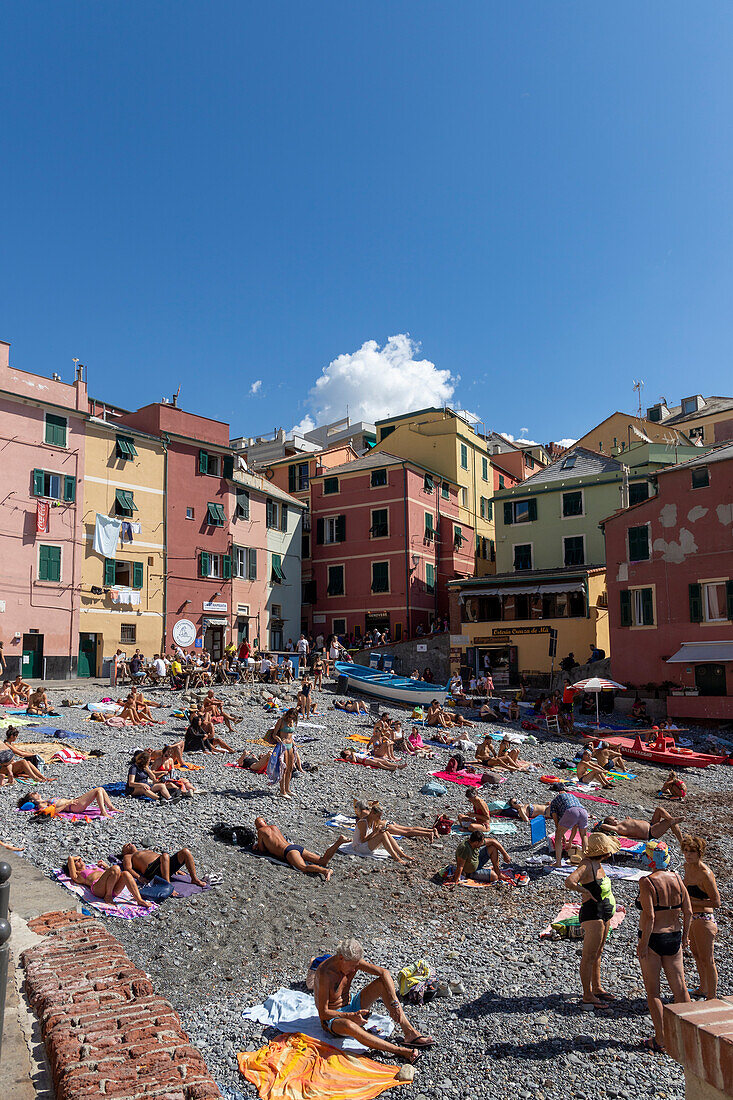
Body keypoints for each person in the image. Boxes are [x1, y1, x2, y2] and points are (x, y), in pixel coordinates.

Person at [314, 939, 435, 1061]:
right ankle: (401, 1051)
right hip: (333, 1018)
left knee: (382, 984)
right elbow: (323, 1013)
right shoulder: (325, 973)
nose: (354, 969)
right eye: (352, 966)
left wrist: (395, 1002)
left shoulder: (353, 962)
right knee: (348, 1024)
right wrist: (350, 1015)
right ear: (341, 958)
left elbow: (384, 973)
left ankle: (409, 1032)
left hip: (351, 1005)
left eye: (357, 966)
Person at [636, 841, 692, 1053]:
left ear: (649, 858)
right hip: (674, 935)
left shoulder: (647, 882)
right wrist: (685, 937)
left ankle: (661, 1040)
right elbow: (688, 911)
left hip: (653, 938)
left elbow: (649, 915)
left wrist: (643, 943)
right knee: (680, 988)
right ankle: (690, 1035)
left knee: (654, 992)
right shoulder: (677, 878)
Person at [565, 833, 619, 1008]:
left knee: (598, 952)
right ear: (603, 851)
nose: (611, 853)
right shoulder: (586, 865)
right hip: (593, 914)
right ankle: (587, 994)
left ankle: (597, 987)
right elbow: (570, 881)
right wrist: (584, 892)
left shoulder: (598, 864)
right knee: (588, 956)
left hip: (605, 912)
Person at [682, 835, 720, 1000]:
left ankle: (712, 996)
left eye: (692, 851)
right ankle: (703, 988)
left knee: (708, 959)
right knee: (697, 955)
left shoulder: (705, 874)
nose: (688, 854)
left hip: (704, 918)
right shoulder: (687, 867)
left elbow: (716, 902)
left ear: (700, 853)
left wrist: (690, 902)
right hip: (692, 918)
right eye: (685, 851)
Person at [253, 817, 348, 880]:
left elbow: (262, 850)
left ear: (257, 827)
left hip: (288, 852)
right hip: (294, 846)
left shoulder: (260, 831)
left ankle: (325, 871)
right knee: (323, 860)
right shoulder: (274, 827)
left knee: (304, 867)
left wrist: (258, 845)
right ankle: (339, 842)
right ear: (265, 822)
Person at [66, 856, 153, 908]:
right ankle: (108, 896)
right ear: (74, 867)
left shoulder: (93, 867)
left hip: (112, 886)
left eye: (80, 859)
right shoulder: (79, 874)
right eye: (76, 861)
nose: (80, 860)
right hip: (98, 888)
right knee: (116, 868)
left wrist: (106, 867)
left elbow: (113, 874)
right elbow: (70, 860)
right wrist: (73, 858)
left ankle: (139, 900)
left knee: (126, 873)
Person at [350, 805, 415, 863]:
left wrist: (378, 831)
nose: (379, 819)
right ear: (372, 813)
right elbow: (363, 840)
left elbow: (373, 834)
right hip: (359, 847)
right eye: (378, 816)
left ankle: (402, 854)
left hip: (366, 844)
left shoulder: (373, 820)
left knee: (385, 832)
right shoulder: (363, 822)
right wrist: (375, 832)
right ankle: (396, 858)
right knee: (383, 835)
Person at [120, 843, 206, 887]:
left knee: (185, 851)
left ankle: (194, 879)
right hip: (151, 871)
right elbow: (128, 869)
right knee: (165, 855)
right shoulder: (128, 856)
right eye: (126, 846)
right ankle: (167, 885)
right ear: (124, 852)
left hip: (164, 865)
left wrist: (177, 869)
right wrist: (139, 877)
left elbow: (161, 858)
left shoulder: (144, 850)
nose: (129, 844)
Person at [448, 829, 513, 887]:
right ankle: (487, 872)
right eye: (481, 842)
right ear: (476, 842)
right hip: (470, 871)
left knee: (492, 848)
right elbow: (460, 866)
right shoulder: (464, 848)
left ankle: (498, 873)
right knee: (494, 877)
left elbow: (493, 841)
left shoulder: (474, 843)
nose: (482, 843)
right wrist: (454, 882)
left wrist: (505, 854)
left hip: (476, 861)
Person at [353, 800, 437, 841]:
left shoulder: (363, 813)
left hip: (386, 826)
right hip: (388, 822)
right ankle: (431, 830)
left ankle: (428, 834)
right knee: (410, 828)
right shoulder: (370, 809)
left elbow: (368, 823)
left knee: (407, 832)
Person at [594, 809, 684, 847]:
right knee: (669, 822)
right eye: (613, 818)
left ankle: (672, 820)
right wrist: (602, 823)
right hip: (650, 832)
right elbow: (602, 826)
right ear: (611, 823)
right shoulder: (618, 828)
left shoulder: (622, 823)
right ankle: (681, 840)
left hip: (651, 825)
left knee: (659, 809)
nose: (615, 818)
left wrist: (630, 820)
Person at [548, 791, 589, 867]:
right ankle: (585, 862)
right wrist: (569, 842)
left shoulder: (554, 802)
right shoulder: (572, 796)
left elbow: (557, 823)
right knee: (584, 835)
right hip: (584, 812)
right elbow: (575, 827)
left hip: (571, 811)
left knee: (558, 835)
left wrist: (562, 837)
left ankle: (558, 863)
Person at [22, 787, 119, 818]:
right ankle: (103, 812)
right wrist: (67, 804)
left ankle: (110, 807)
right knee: (98, 790)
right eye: (33, 793)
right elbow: (53, 811)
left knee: (101, 789)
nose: (36, 792)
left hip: (73, 802)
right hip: (73, 807)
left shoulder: (44, 801)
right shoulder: (41, 805)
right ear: (32, 800)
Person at [338, 747, 407, 771]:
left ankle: (397, 766)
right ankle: (389, 768)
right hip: (364, 760)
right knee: (378, 763)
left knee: (384, 761)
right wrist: (352, 754)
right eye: (347, 750)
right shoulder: (348, 757)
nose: (348, 750)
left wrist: (367, 753)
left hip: (366, 757)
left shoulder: (352, 753)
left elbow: (361, 754)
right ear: (345, 753)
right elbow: (354, 761)